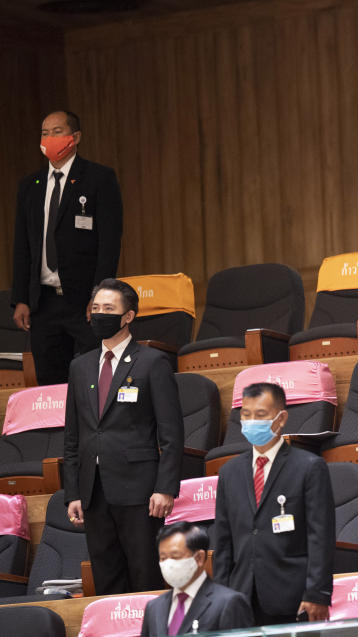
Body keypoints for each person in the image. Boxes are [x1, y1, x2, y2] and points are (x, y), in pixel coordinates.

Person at [63, 279, 182, 594]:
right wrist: (73, 492)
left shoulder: (152, 362)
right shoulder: (79, 367)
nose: (100, 315)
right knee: (106, 578)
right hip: (94, 490)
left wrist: (165, 487)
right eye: (96, 309)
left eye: (109, 309)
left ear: (128, 316)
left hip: (140, 490)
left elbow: (171, 434)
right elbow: (74, 436)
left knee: (145, 575)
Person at [11, 110, 123, 385]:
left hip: (83, 301)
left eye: (57, 131)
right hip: (44, 302)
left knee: (92, 381)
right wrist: (21, 298)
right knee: (50, 384)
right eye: (44, 133)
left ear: (76, 137)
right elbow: (23, 246)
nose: (49, 138)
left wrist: (100, 296)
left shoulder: (99, 178)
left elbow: (109, 243)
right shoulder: (30, 186)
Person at [213, 382, 335, 626]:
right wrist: (220, 596)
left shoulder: (308, 467)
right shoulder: (229, 472)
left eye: (260, 415)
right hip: (241, 597)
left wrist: (317, 593)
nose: (251, 422)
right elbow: (224, 541)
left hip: (293, 596)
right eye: (246, 415)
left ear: (281, 419)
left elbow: (320, 536)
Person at [140, 522, 254, 636]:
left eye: (175, 556)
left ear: (199, 557)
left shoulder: (229, 603)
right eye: (163, 558)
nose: (168, 564)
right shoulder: (154, 607)